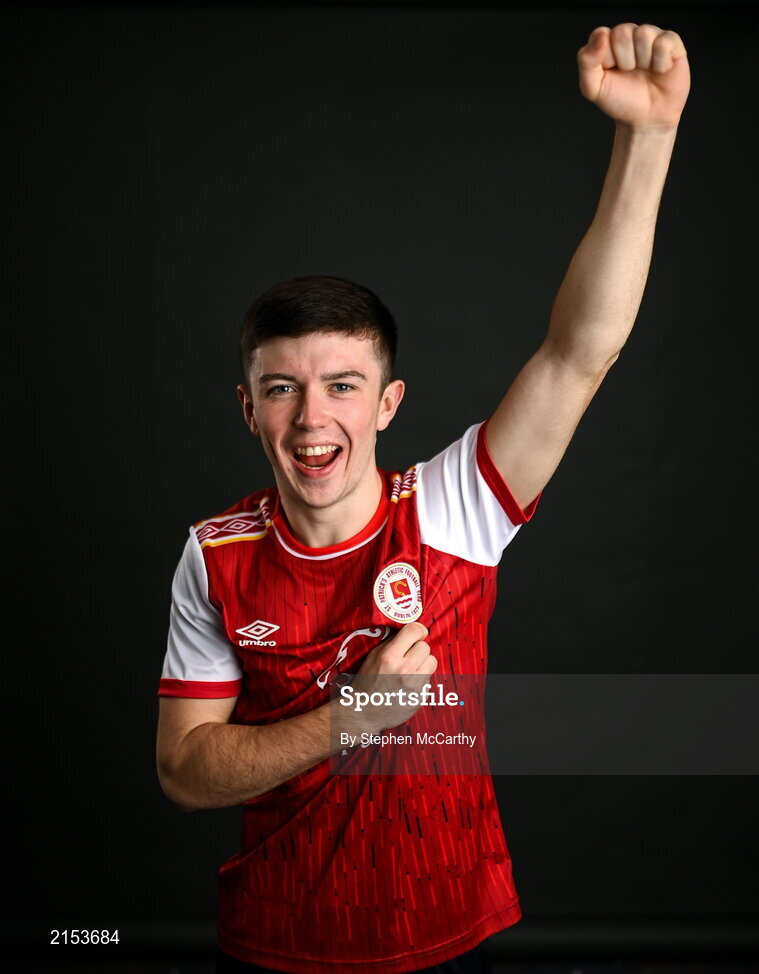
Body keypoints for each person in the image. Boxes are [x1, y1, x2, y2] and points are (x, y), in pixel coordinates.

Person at [156, 22, 690, 974]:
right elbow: (185, 774)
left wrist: (645, 137)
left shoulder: (451, 510)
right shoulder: (216, 554)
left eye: (343, 385)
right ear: (248, 409)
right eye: (282, 388)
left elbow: (578, 354)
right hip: (275, 943)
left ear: (389, 403)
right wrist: (349, 719)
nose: (312, 418)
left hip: (450, 935)